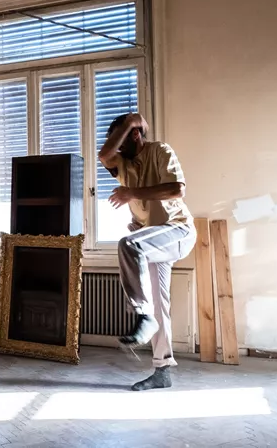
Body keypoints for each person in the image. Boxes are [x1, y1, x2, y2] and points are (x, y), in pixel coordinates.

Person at [98, 112, 196, 391]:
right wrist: (131, 122)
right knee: (160, 305)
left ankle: (142, 314)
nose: (115, 147)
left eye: (120, 139)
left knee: (129, 244)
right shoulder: (122, 164)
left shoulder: (160, 151)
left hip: (177, 231)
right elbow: (104, 154)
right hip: (153, 240)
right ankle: (162, 370)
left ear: (136, 135)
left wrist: (132, 194)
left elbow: (177, 189)